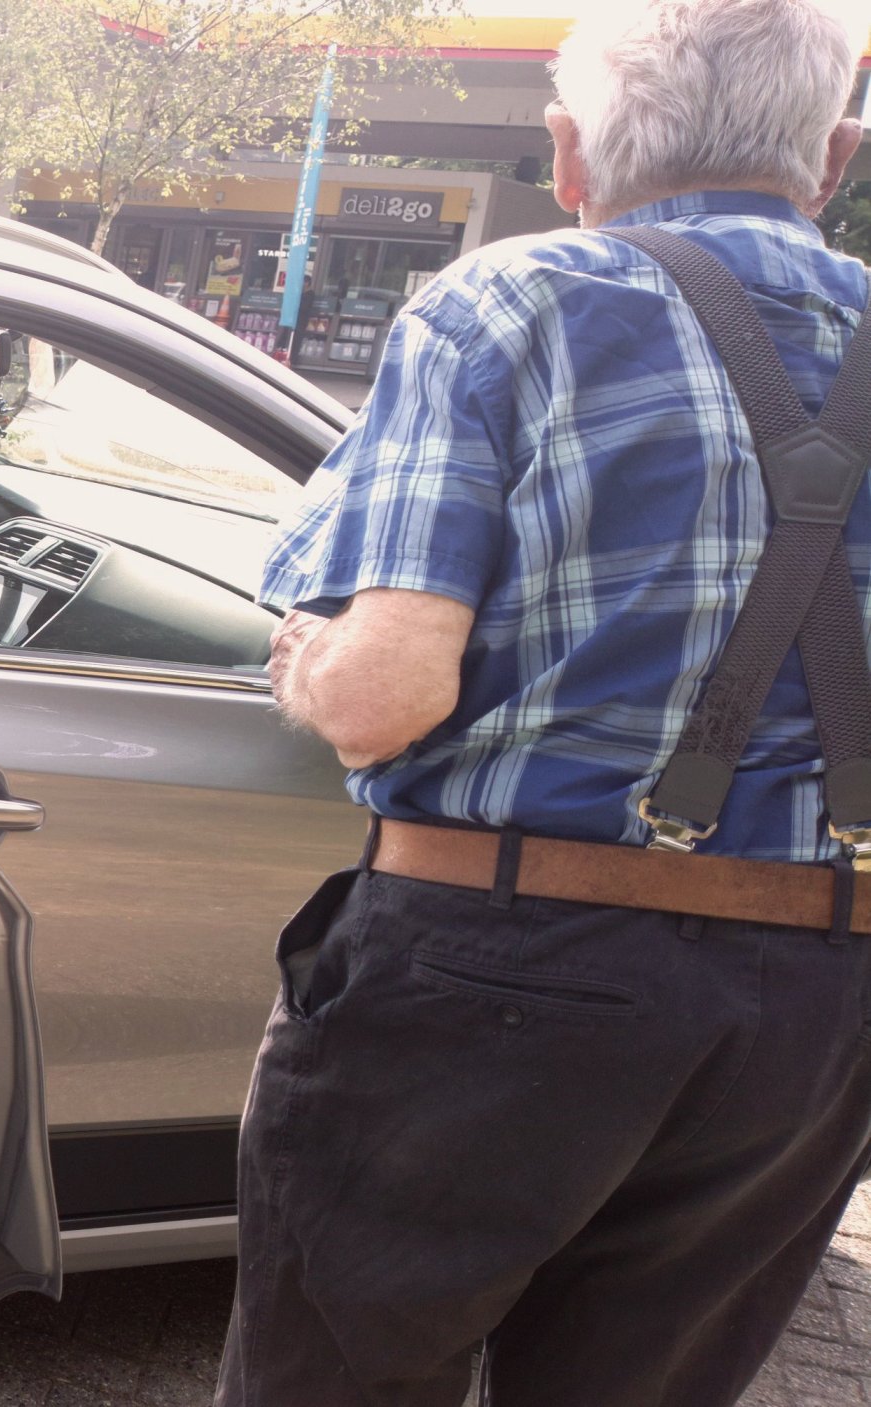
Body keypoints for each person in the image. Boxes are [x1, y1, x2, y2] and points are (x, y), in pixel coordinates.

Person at [219, 0, 871, 1402]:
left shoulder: (508, 303)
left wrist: (308, 658)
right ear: (836, 157)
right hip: (823, 1001)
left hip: (501, 964)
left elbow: (383, 698)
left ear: (569, 154)